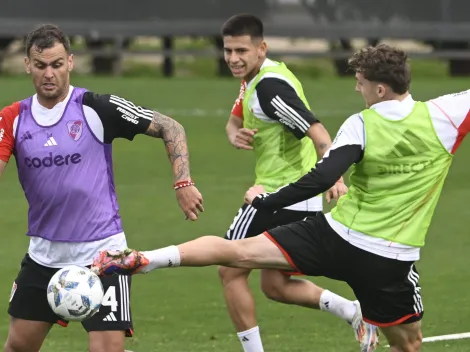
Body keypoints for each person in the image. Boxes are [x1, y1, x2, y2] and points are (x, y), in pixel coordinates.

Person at [91, 43, 470, 351]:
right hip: (389, 258)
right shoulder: (445, 116)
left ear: (380, 89)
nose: (358, 89)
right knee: (409, 344)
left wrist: (268, 201)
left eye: (360, 82)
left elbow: (323, 175)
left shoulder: (361, 123)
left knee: (236, 251)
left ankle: (145, 259)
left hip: (335, 237)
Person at [0, 24, 203, 352]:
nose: (48, 74)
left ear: (70, 62)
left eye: (56, 64)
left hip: (105, 255)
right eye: (40, 66)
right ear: (27, 65)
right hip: (44, 256)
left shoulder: (95, 108)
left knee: (106, 350)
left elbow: (170, 126)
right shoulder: (13, 118)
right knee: (18, 347)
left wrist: (183, 182)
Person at [218, 13, 375, 352]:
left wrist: (335, 176)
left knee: (229, 270)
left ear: (261, 48)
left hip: (276, 195)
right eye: (228, 50)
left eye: (241, 51)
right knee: (275, 285)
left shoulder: (271, 89)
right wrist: (236, 135)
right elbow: (233, 121)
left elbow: (318, 134)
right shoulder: (258, 76)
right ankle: (354, 312)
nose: (233, 58)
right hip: (300, 197)